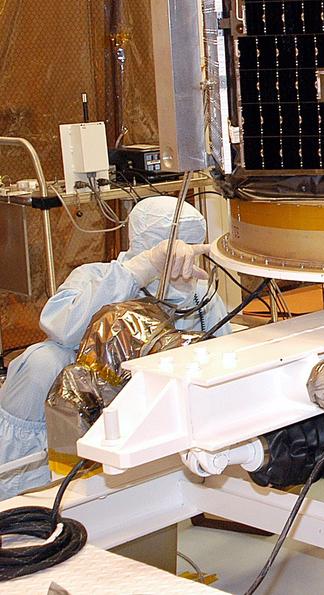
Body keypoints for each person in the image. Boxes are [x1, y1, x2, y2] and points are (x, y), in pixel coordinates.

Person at [0, 196, 225, 496]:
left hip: (149, 422)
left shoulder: (199, 296)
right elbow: (61, 325)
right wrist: (139, 271)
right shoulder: (96, 276)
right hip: (72, 416)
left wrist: (181, 301)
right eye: (173, 246)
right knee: (42, 363)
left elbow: (221, 360)